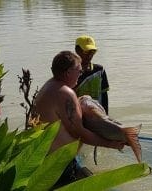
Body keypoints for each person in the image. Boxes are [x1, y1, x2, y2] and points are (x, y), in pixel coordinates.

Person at [35, 51, 124, 186]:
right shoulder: (65, 93)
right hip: (57, 164)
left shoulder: (50, 85)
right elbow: (79, 133)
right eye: (79, 70)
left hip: (50, 159)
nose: (81, 73)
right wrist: (110, 144)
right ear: (68, 72)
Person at [74, 35, 110, 114]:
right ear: (77, 50)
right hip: (78, 115)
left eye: (92, 51)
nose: (90, 55)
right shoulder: (71, 72)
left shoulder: (99, 70)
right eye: (86, 51)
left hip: (97, 113)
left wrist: (106, 115)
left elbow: (104, 95)